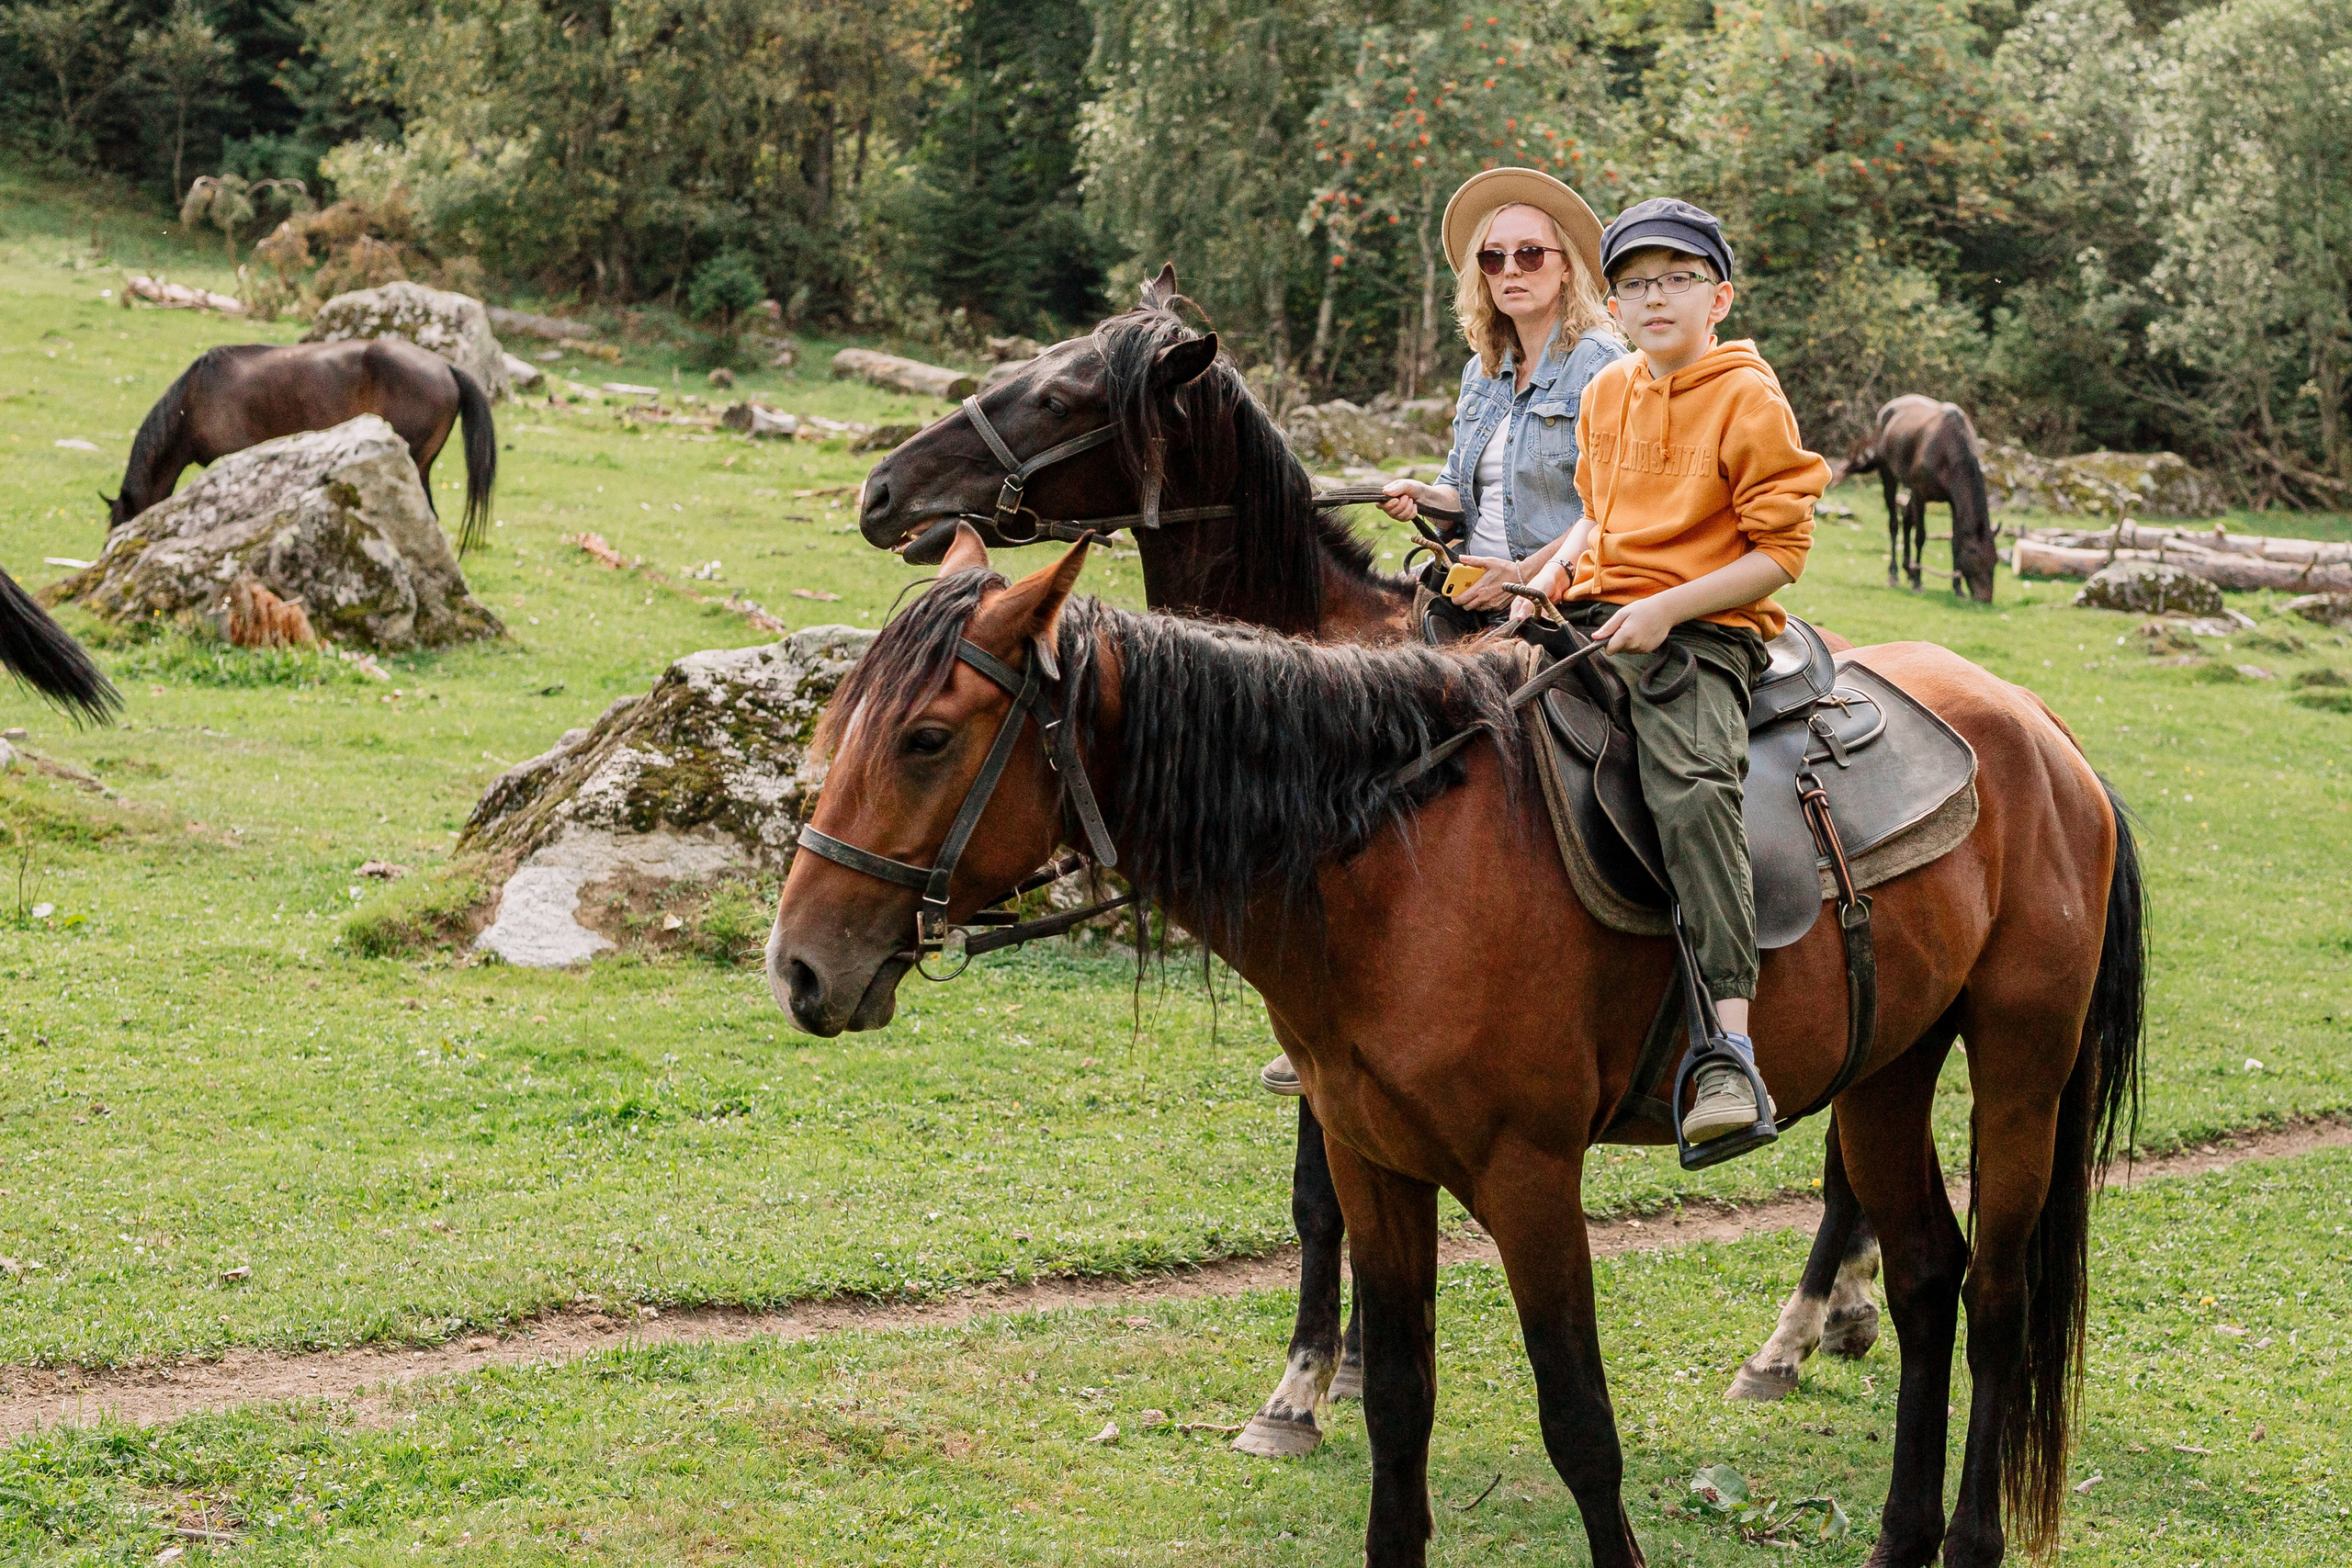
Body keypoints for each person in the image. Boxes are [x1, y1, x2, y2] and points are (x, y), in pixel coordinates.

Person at [1260, 165, 1624, 1100]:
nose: (1511, 269)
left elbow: (1612, 505)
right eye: (1493, 256)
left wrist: (1531, 580)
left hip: (1564, 599)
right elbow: (1484, 490)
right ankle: (1345, 996)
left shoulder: (1607, 368)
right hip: (1461, 592)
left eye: (1529, 253)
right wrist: (1432, 496)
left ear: (1566, 265)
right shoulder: (1484, 368)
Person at [1507, 196, 1829, 1145]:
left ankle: (1729, 1048)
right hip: (1593, 611)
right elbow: (1599, 520)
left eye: (1676, 280)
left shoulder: (1747, 397)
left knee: (1690, 791)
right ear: (1613, 305)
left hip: (1702, 630)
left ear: (1716, 296)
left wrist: (1667, 609)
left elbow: (1781, 552)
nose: (1654, 299)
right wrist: (1545, 584)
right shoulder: (1608, 393)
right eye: (1634, 284)